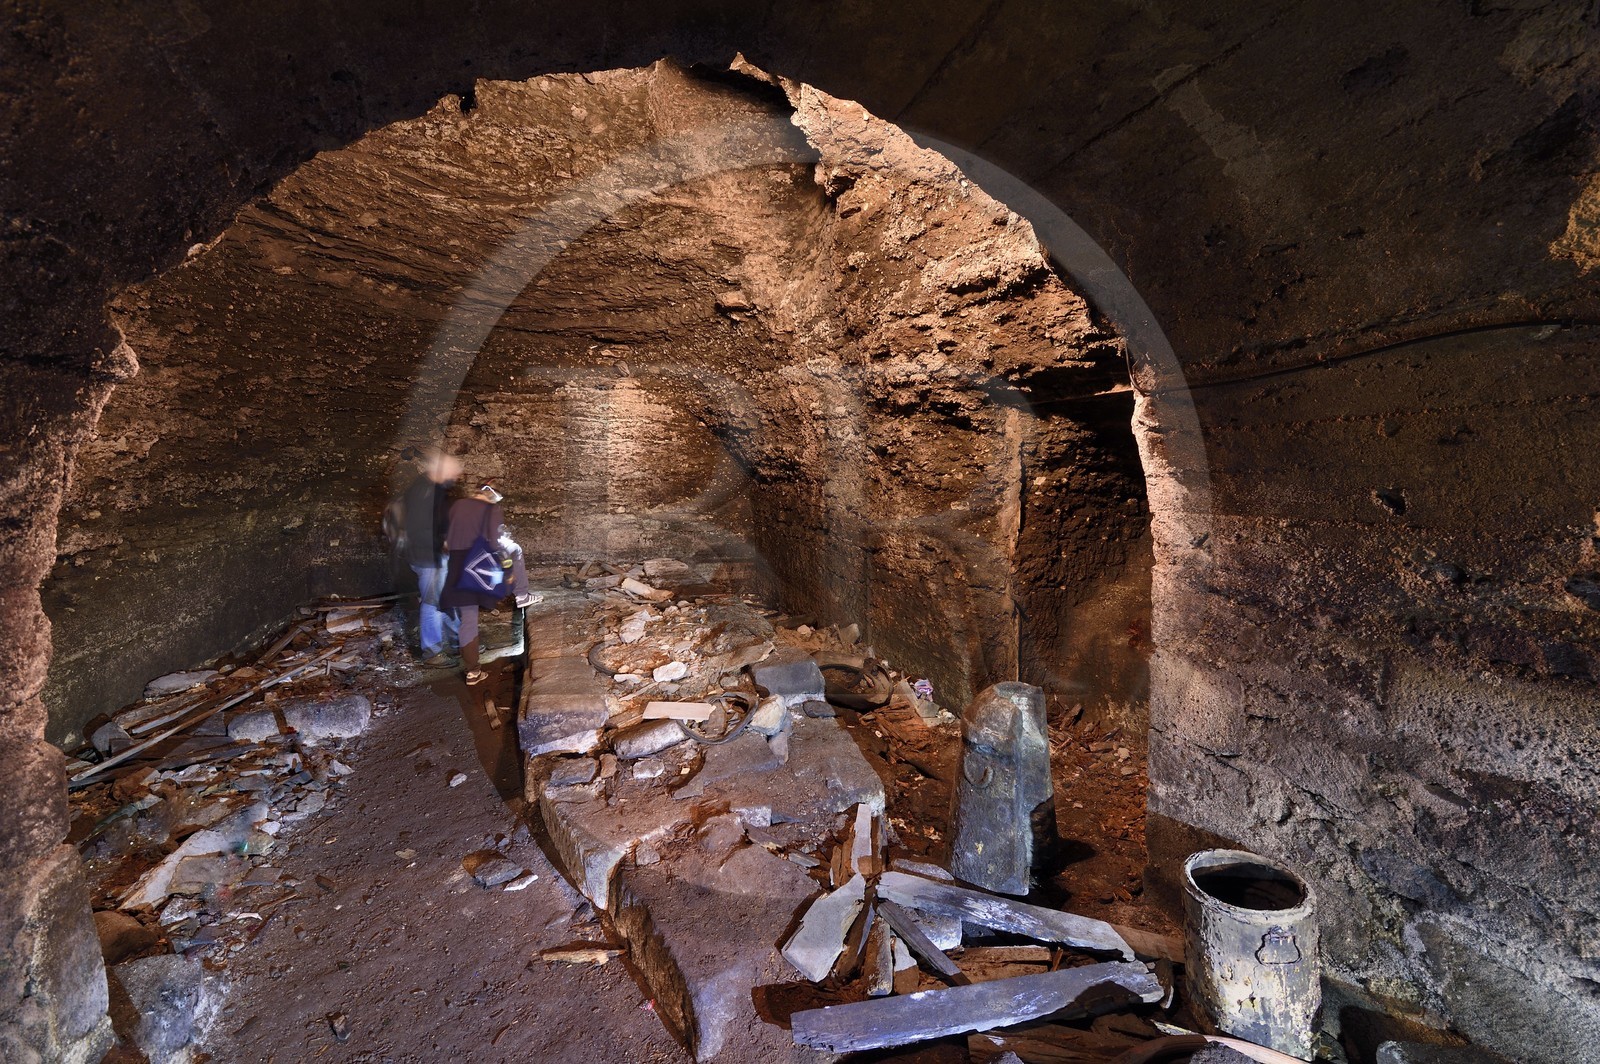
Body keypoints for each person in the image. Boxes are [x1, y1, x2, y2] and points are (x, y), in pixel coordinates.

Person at [440, 483, 532, 684]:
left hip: (457, 569)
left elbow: (447, 542)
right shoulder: (491, 509)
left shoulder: (457, 505)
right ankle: (522, 594)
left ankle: (472, 671)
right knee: (515, 551)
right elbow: (494, 543)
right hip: (478, 570)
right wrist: (507, 571)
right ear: (491, 495)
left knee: (468, 620)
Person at [400, 447, 462, 667]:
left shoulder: (433, 489)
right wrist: (443, 542)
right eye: (452, 472)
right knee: (432, 603)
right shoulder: (423, 491)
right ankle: (432, 652)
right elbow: (418, 528)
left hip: (433, 555)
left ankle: (459, 643)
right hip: (428, 557)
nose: (455, 477)